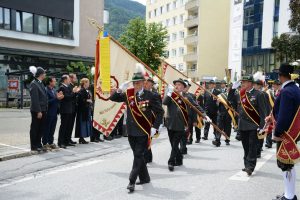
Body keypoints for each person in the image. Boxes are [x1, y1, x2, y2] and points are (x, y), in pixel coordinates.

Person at [110, 64, 164, 192]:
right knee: (137, 155)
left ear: (144, 83)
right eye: (134, 83)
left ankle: (131, 181)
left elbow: (160, 112)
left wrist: (155, 127)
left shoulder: (150, 95)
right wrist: (119, 90)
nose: (136, 85)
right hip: (131, 130)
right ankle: (145, 178)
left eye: (138, 83)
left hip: (144, 130)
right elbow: (113, 98)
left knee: (138, 155)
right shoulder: (128, 94)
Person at [268, 63, 300, 200]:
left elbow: (285, 115)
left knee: (285, 164)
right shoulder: (296, 89)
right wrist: (271, 117)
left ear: (281, 76)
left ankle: (289, 195)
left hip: (285, 133)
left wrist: (276, 133)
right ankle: (289, 193)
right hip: (293, 131)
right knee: (288, 164)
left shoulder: (286, 91)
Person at [163, 78, 206, 171]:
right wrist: (169, 93)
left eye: (179, 85)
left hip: (180, 124)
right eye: (176, 84)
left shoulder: (187, 97)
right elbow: (164, 102)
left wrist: (204, 114)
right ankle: (179, 159)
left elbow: (196, 106)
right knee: (172, 143)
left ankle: (171, 162)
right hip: (170, 123)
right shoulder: (171, 95)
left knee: (175, 144)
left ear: (183, 87)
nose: (177, 86)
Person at [239, 75, 267, 176]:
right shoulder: (242, 94)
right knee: (245, 146)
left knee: (252, 146)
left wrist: (262, 126)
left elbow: (263, 112)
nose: (243, 83)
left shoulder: (259, 94)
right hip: (243, 125)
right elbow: (237, 107)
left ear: (250, 83)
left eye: (245, 82)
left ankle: (250, 166)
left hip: (253, 125)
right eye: (242, 82)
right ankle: (246, 164)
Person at [29, 66, 48, 152]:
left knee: (41, 128)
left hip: (43, 109)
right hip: (38, 110)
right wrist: (38, 111)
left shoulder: (40, 83)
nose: (45, 74)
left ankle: (38, 143)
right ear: (41, 74)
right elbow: (35, 99)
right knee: (35, 128)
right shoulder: (34, 83)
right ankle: (34, 145)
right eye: (44, 73)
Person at [42, 77, 63, 150]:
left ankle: (51, 142)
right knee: (47, 128)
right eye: (54, 81)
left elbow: (56, 101)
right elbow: (47, 102)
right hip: (49, 112)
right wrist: (56, 98)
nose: (55, 83)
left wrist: (59, 98)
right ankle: (45, 143)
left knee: (52, 128)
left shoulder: (54, 90)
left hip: (55, 112)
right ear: (50, 82)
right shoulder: (46, 90)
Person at [57, 75, 74, 149]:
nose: (69, 80)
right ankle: (60, 142)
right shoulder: (62, 87)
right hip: (64, 109)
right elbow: (67, 97)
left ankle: (66, 141)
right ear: (64, 80)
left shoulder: (67, 87)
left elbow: (70, 97)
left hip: (69, 109)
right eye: (68, 79)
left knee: (67, 126)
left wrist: (73, 93)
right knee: (63, 126)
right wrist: (73, 92)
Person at [75, 78, 93, 144]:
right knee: (82, 124)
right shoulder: (81, 90)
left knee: (85, 123)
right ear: (84, 83)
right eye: (87, 82)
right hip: (82, 110)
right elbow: (80, 100)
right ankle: (81, 138)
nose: (88, 84)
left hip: (85, 109)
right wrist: (87, 100)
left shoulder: (85, 90)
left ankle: (82, 138)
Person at [68, 73, 80, 145]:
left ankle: (69, 138)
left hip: (73, 108)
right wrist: (74, 92)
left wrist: (77, 92)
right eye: (75, 78)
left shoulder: (73, 86)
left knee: (71, 124)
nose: (76, 79)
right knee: (68, 125)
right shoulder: (69, 86)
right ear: (71, 78)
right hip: (70, 108)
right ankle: (66, 139)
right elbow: (70, 97)